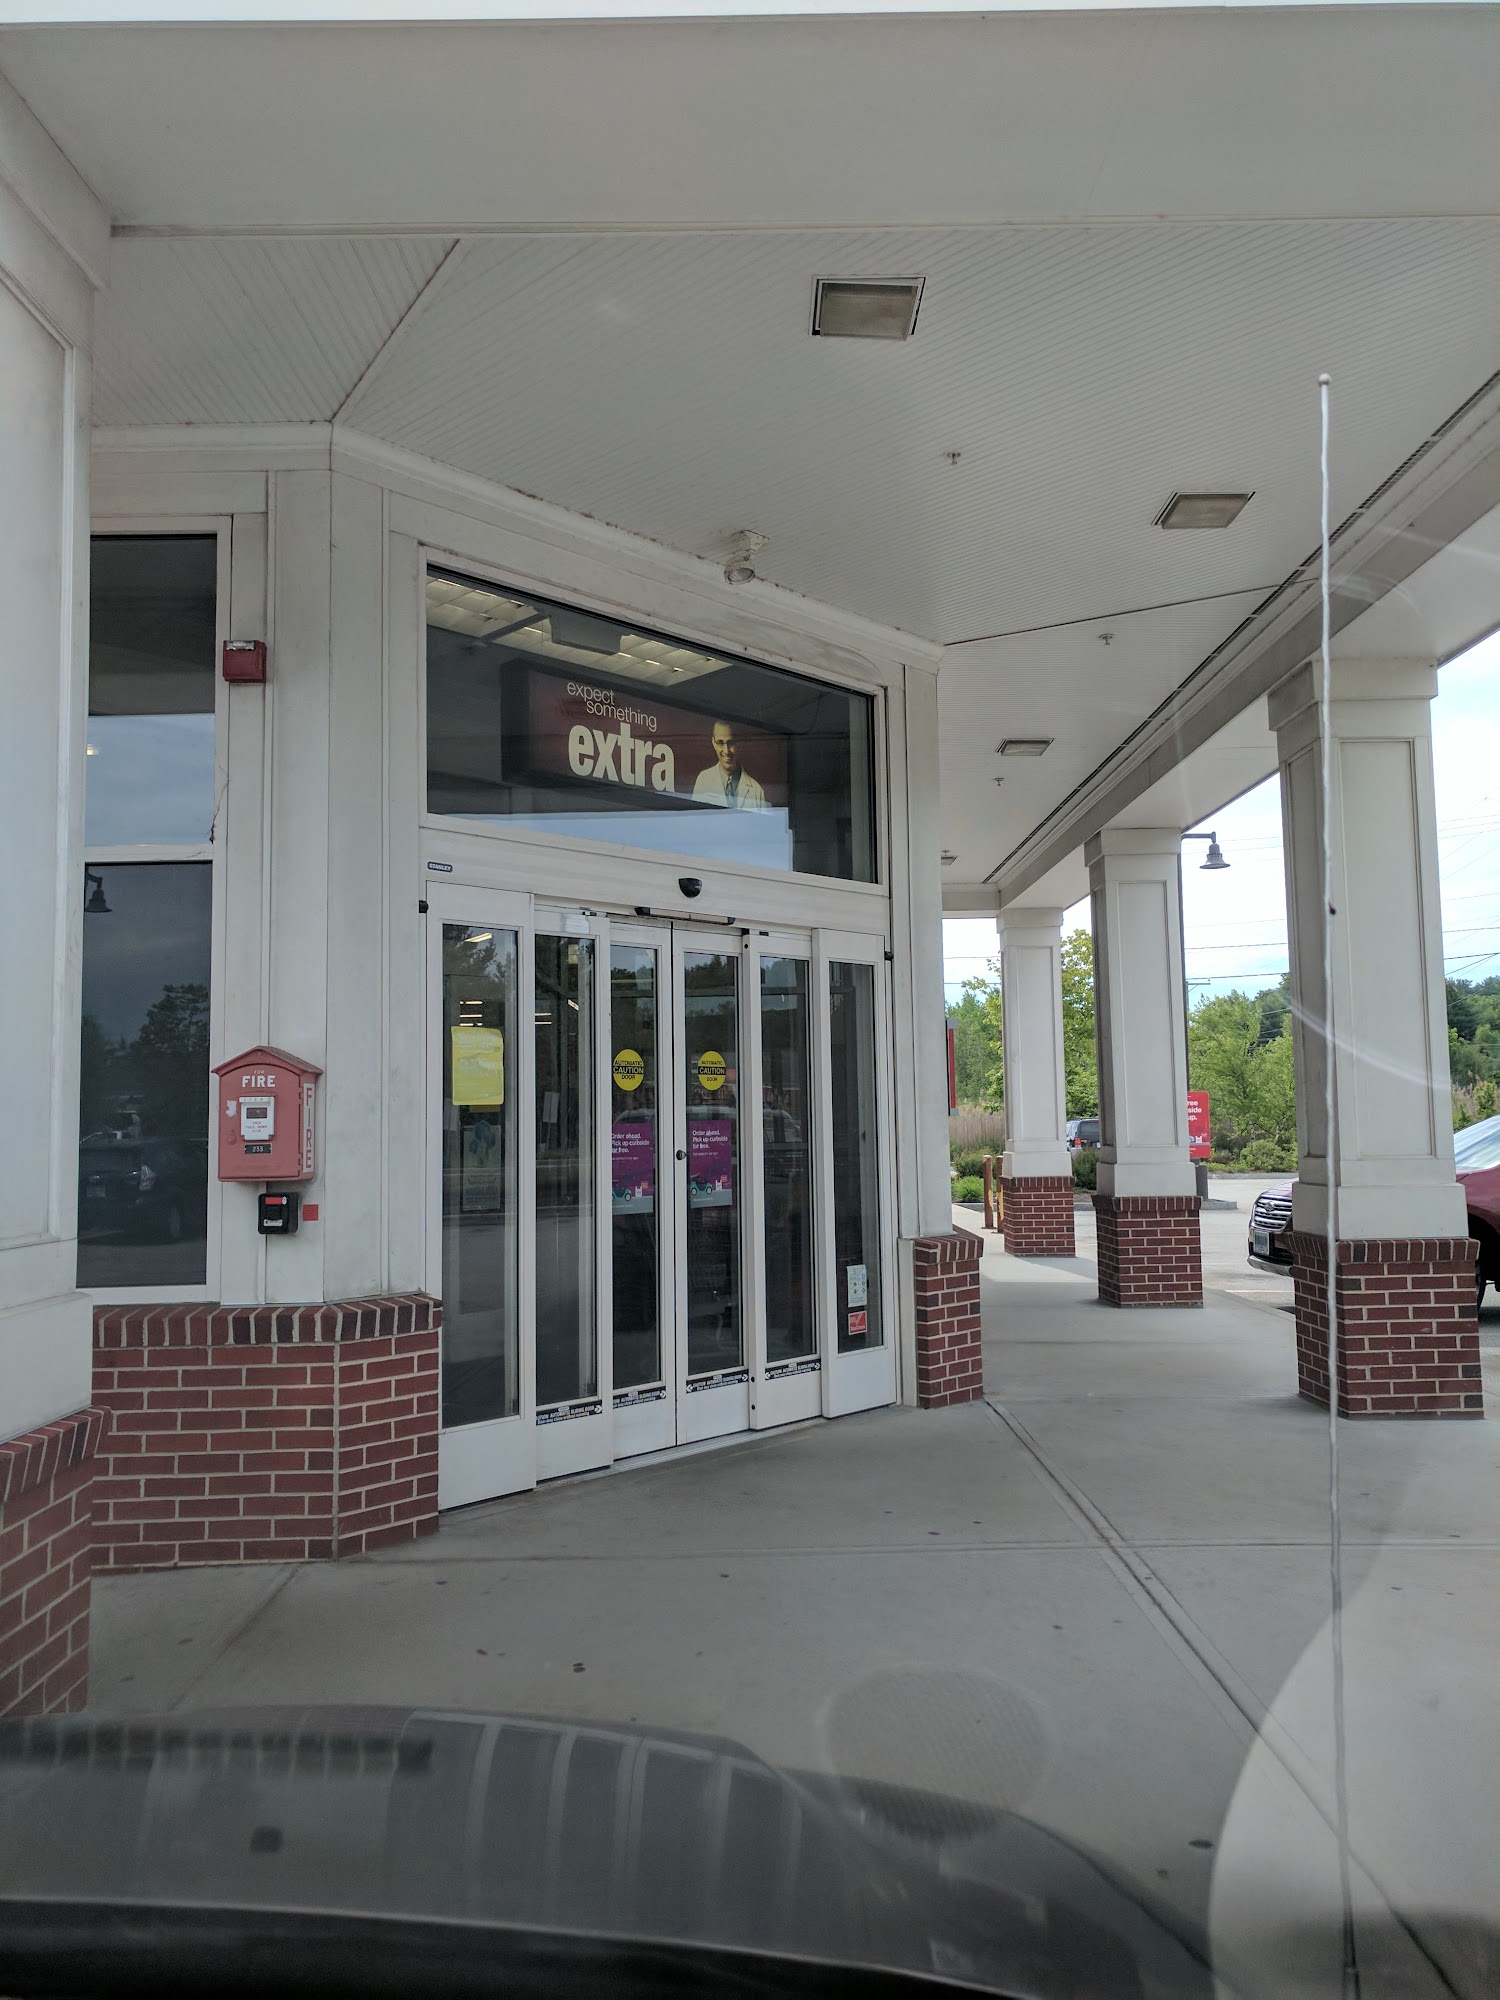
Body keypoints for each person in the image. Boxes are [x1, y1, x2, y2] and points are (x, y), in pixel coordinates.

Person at [691, 719, 766, 809]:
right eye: (720, 743)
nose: (726, 751)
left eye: (731, 743)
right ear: (713, 743)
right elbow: (696, 817)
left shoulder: (757, 791)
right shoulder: (703, 781)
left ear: (738, 743)